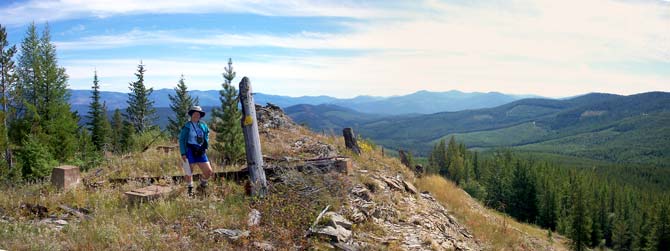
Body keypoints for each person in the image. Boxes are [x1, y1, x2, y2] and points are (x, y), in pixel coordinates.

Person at [178, 106, 213, 196]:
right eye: (195, 113)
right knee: (189, 171)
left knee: (208, 171)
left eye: (198, 114)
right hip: (189, 150)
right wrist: (183, 153)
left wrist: (205, 146)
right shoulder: (187, 126)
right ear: (191, 114)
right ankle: (190, 190)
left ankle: (202, 184)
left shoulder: (203, 125)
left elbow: (206, 135)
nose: (197, 115)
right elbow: (181, 140)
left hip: (200, 150)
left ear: (200, 115)